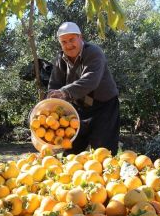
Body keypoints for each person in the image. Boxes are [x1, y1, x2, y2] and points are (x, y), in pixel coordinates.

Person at [47, 21, 120, 155]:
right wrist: (50, 102)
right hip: (79, 108)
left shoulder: (94, 53)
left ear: (80, 37)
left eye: (71, 40)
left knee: (103, 152)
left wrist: (64, 92)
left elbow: (90, 80)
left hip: (104, 107)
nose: (68, 45)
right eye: (64, 42)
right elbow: (55, 83)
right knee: (71, 151)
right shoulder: (60, 59)